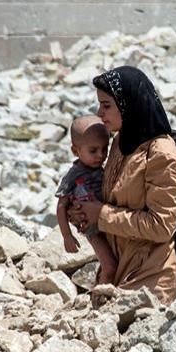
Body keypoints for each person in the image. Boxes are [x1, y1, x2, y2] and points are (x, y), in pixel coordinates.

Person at [69, 66, 176, 304]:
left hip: (151, 281)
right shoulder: (121, 142)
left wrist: (100, 214)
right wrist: (82, 210)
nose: (100, 113)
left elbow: (161, 227)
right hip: (117, 270)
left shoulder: (162, 155)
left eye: (107, 105)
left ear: (128, 104)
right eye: (100, 105)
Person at [56, 115, 118, 284]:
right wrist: (67, 235)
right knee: (110, 264)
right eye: (93, 151)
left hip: (110, 220)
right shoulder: (73, 175)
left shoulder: (102, 168)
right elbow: (61, 206)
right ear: (76, 151)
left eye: (104, 149)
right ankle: (102, 293)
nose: (100, 155)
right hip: (92, 228)